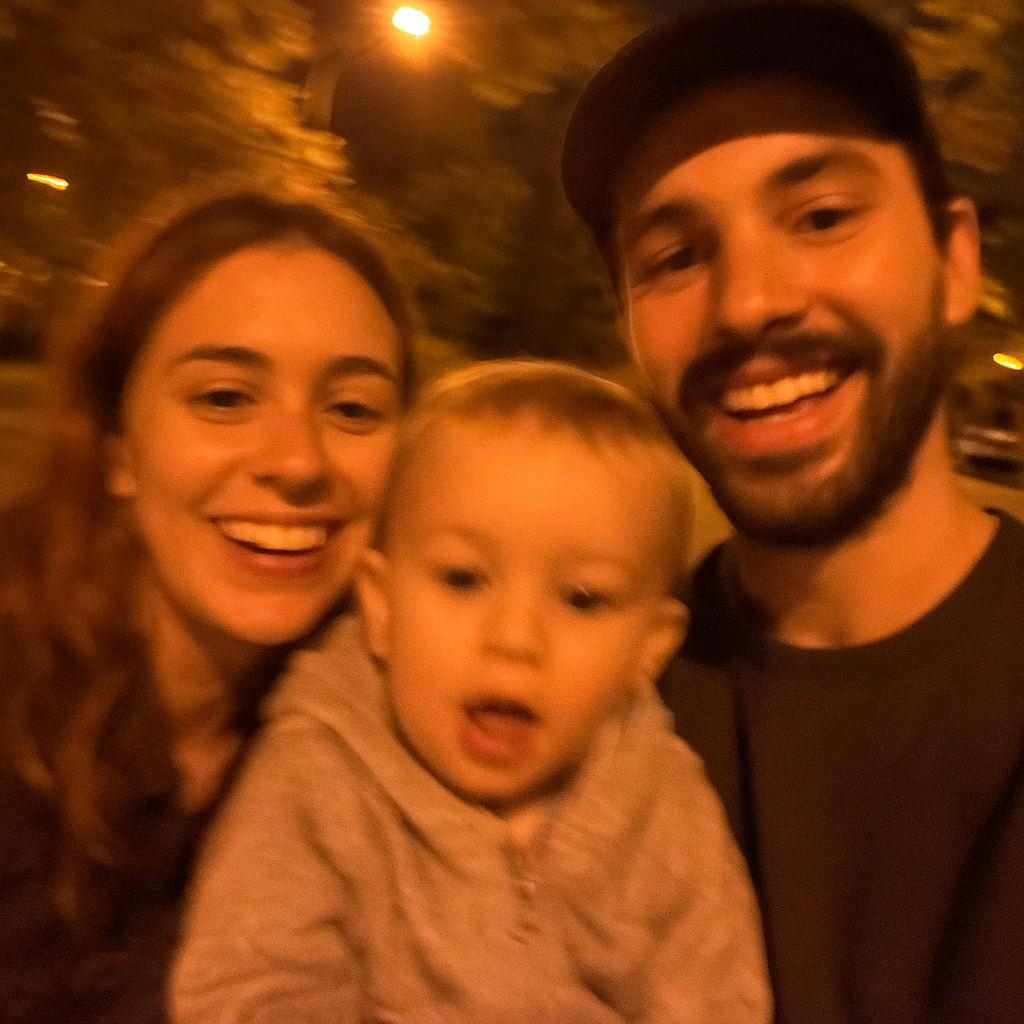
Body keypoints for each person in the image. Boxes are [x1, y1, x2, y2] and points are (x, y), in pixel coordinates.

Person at [560, 2, 1024, 1022]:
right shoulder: (583, 702)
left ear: (954, 261)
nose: (747, 304)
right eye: (674, 258)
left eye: (820, 217)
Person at [171, 360, 772, 1024]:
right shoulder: (320, 775)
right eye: (462, 579)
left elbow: (721, 998)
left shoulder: (663, 807)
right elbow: (246, 992)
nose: (515, 638)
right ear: (381, 606)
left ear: (649, 649)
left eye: (581, 598)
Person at [0, 188, 416, 1023]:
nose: (298, 460)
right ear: (118, 450)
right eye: (225, 398)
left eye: (352, 409)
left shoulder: (394, 723)